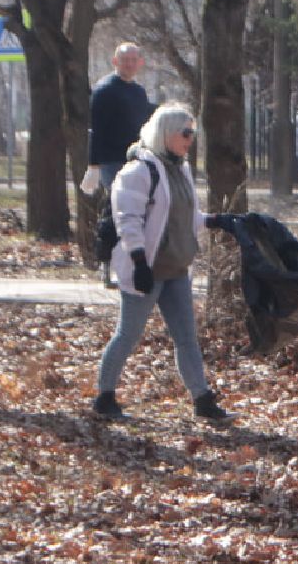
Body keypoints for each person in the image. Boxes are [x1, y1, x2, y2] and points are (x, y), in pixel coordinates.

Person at [92, 104, 234, 422]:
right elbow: (127, 220)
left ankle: (202, 399)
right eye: (185, 133)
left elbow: (183, 216)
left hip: (176, 269)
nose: (190, 139)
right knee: (128, 334)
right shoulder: (139, 171)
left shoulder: (180, 169)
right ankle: (104, 396)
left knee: (186, 337)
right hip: (148, 270)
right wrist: (139, 262)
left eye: (193, 133)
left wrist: (216, 221)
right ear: (165, 133)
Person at [85, 43, 155, 286]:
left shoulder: (138, 92)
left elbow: (145, 126)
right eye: (125, 60)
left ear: (140, 63)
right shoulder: (104, 91)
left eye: (134, 59)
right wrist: (93, 165)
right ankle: (107, 267)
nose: (130, 64)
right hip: (112, 162)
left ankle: (132, 265)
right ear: (115, 62)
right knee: (117, 213)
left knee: (138, 213)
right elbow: (96, 131)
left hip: (136, 161)